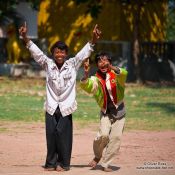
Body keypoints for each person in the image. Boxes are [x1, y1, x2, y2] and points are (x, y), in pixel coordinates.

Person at [18, 22, 101, 172]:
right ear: (53, 53)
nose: (60, 55)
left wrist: (93, 40)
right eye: (57, 52)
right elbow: (36, 53)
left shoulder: (73, 64)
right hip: (51, 105)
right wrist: (25, 37)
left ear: (66, 54)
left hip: (66, 106)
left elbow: (84, 53)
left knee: (63, 135)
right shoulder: (47, 64)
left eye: (62, 52)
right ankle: (50, 163)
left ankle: (63, 164)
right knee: (51, 135)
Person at [80, 52, 128, 172]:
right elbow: (88, 87)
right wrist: (86, 73)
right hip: (105, 112)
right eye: (100, 61)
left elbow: (124, 73)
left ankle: (106, 163)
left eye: (106, 60)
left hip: (120, 112)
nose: (103, 63)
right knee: (103, 136)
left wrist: (111, 68)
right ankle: (97, 156)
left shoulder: (117, 75)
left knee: (116, 138)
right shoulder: (95, 79)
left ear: (110, 63)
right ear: (97, 65)